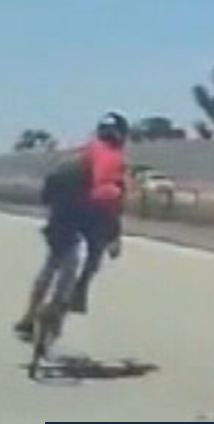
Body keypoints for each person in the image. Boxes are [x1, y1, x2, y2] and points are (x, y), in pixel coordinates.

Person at [13, 112, 128, 337]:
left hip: (63, 211)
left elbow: (51, 187)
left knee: (54, 261)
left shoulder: (81, 153)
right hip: (93, 212)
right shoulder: (113, 157)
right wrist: (114, 236)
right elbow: (110, 196)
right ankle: (71, 298)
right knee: (91, 260)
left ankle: (28, 316)